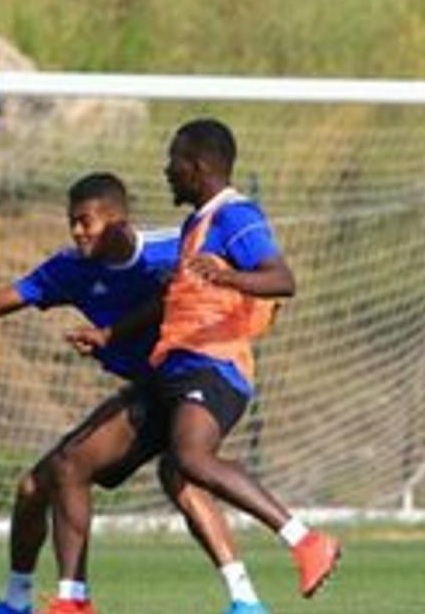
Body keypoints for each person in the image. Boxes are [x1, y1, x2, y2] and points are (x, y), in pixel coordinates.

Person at [0, 173, 268, 614]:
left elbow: (250, 275)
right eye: (72, 222)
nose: (77, 232)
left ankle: (79, 600)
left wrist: (255, 309)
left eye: (86, 222)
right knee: (35, 487)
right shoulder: (69, 268)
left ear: (118, 221)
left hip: (195, 380)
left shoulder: (174, 247)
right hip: (149, 391)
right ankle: (19, 601)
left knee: (171, 474)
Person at [69, 119, 342, 603]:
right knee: (141, 469)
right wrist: (110, 334)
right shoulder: (197, 224)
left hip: (213, 365)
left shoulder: (236, 215)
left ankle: (306, 541)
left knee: (192, 457)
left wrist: (230, 277)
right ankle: (244, 600)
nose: (166, 171)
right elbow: (173, 296)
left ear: (196, 167)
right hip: (174, 368)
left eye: (173, 160)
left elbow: (282, 279)